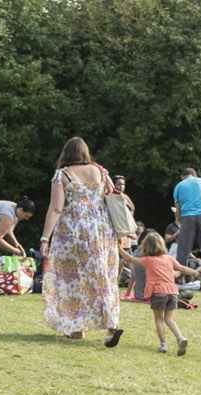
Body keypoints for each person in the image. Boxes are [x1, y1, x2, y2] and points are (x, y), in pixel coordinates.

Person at [39, 137, 124, 345]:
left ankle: (77, 328)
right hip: (103, 231)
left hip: (74, 232)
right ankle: (111, 326)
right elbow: (113, 195)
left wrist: (44, 238)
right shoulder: (101, 172)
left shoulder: (63, 175)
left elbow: (56, 208)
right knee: (103, 276)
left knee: (72, 279)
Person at [117, 232, 193, 355]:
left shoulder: (148, 260)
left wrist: (119, 248)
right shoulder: (169, 258)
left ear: (146, 246)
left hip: (158, 293)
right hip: (172, 292)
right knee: (169, 319)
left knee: (158, 319)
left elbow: (129, 259)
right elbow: (182, 269)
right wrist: (195, 272)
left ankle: (163, 345)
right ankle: (180, 338)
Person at [171, 168, 201, 268]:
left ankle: (180, 276)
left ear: (182, 176)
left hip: (187, 217)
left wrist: (178, 219)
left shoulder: (179, 186)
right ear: (194, 174)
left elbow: (178, 207)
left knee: (183, 248)